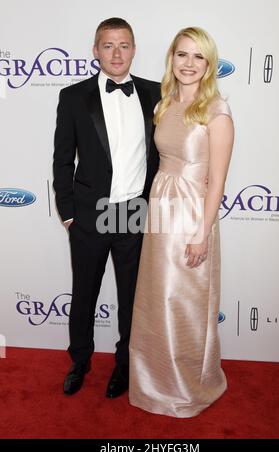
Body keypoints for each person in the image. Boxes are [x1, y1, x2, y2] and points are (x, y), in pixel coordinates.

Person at [129, 26, 234, 417]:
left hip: (191, 214)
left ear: (209, 64)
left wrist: (201, 233)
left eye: (198, 57)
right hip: (161, 208)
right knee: (158, 298)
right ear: (171, 58)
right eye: (182, 54)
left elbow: (218, 181)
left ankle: (189, 386)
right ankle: (154, 381)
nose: (188, 64)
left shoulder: (218, 112)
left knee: (184, 300)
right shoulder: (164, 103)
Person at [53, 17, 160, 398]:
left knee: (132, 298)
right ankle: (79, 361)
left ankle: (124, 366)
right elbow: (62, 160)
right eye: (108, 45)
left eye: (124, 45)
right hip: (89, 213)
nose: (117, 53)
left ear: (134, 49)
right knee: (84, 294)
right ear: (96, 51)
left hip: (134, 213)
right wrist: (68, 212)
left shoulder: (156, 93)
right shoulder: (73, 97)